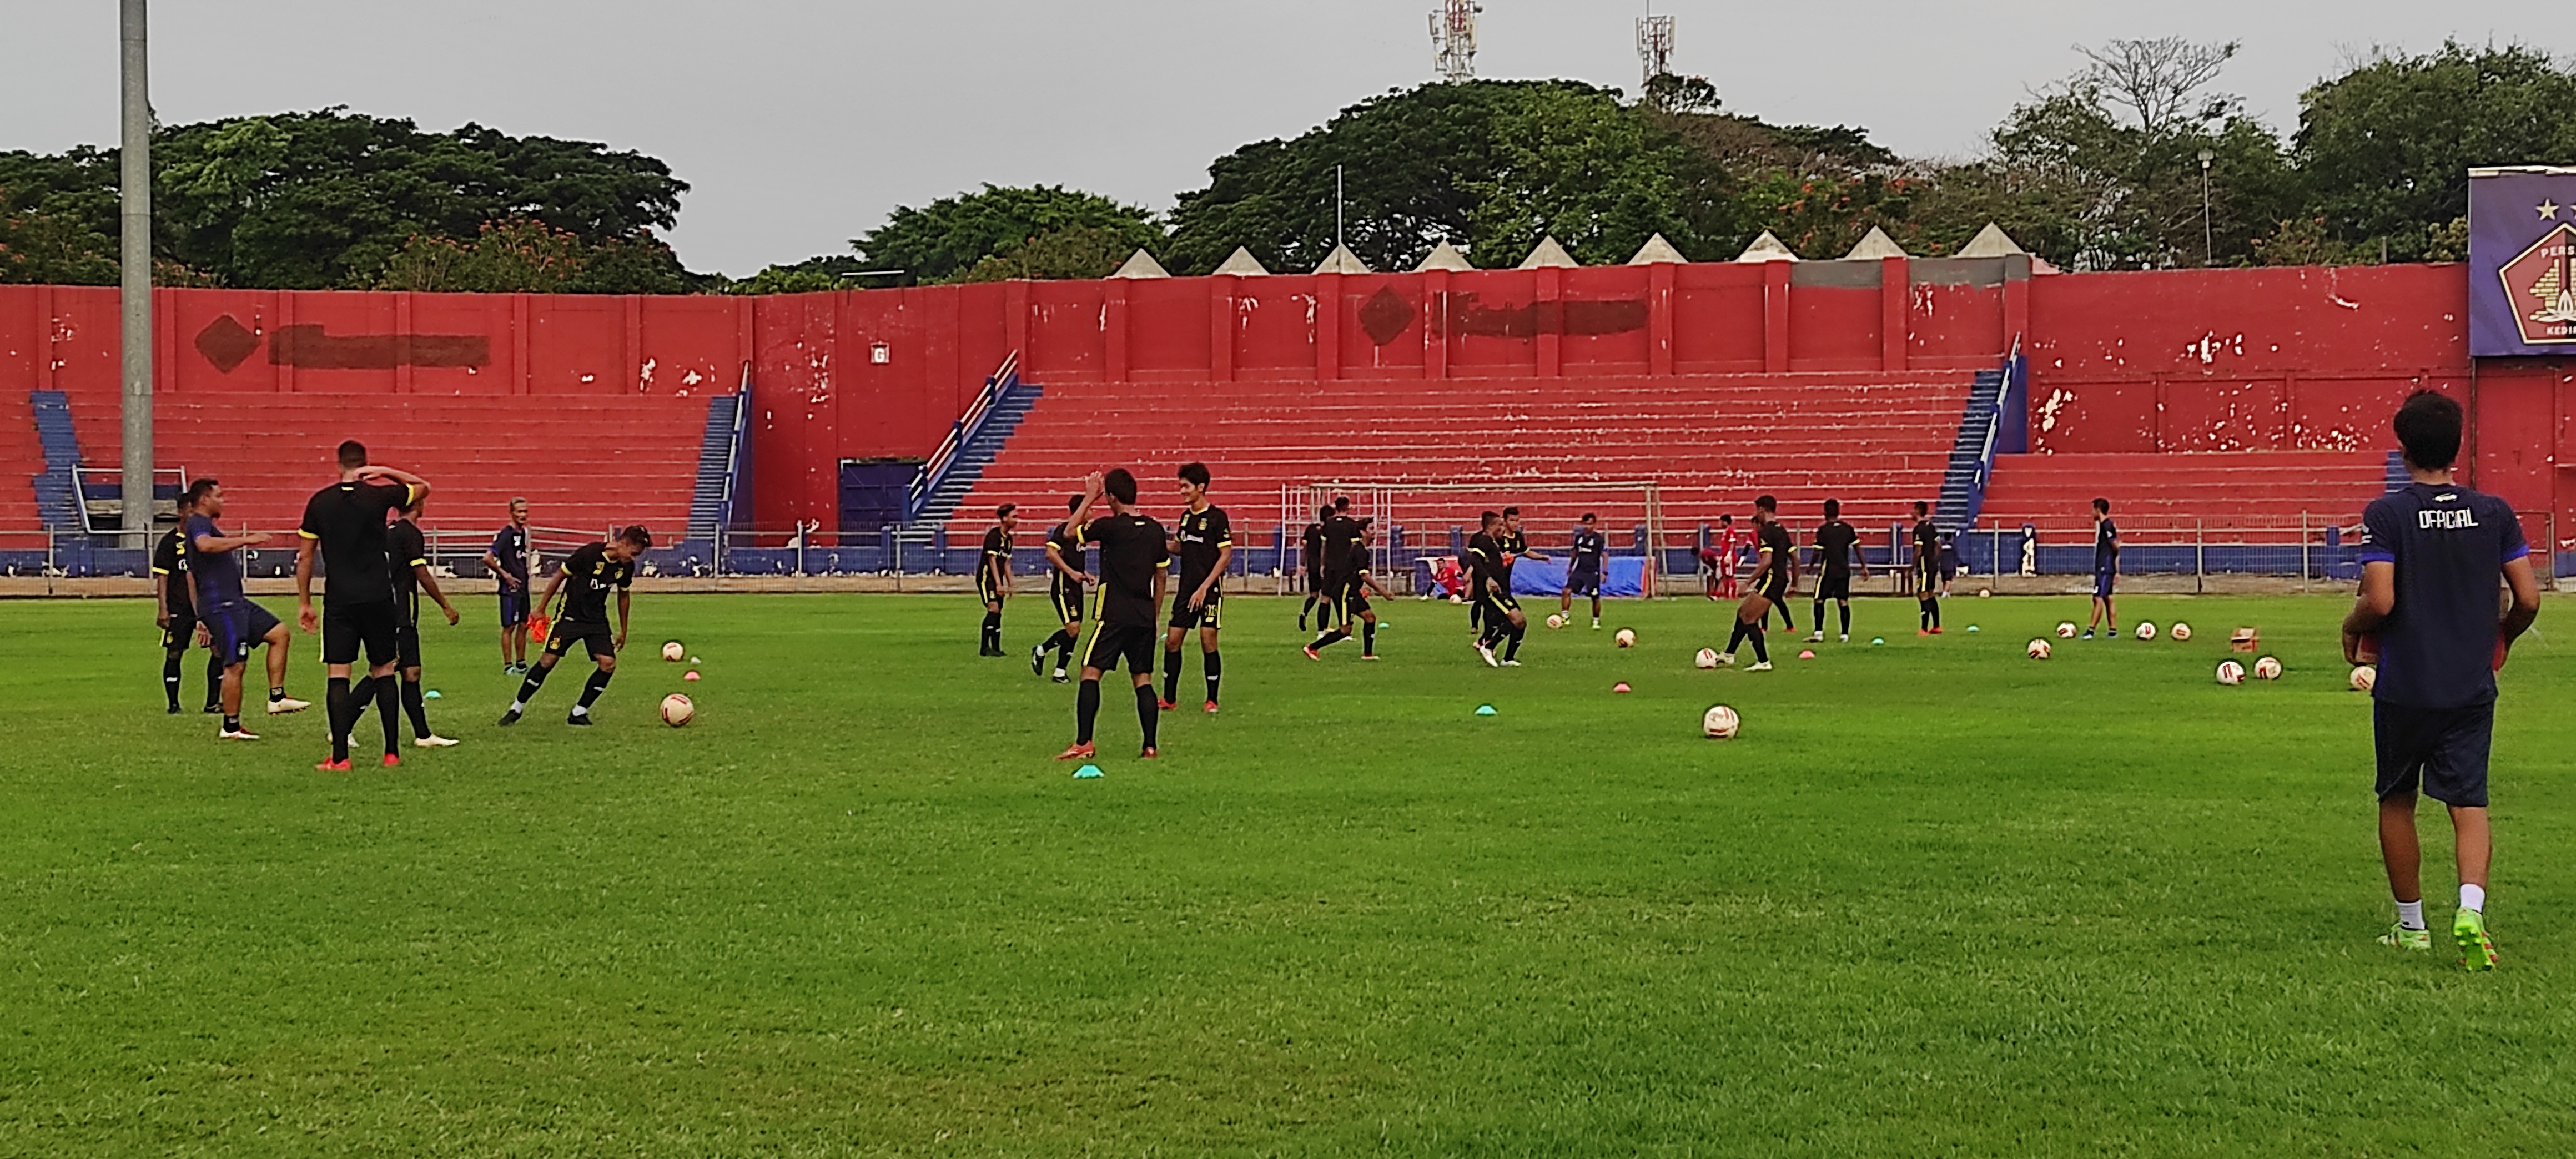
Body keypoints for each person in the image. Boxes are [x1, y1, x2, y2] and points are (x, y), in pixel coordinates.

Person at [2344, 390, 2541, 971]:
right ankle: (2470, 910)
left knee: (2396, 798)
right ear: (2458, 447)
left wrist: (2349, 627)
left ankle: (2411, 927)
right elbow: (2527, 597)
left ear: (2402, 449)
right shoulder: (2494, 512)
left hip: (2405, 683)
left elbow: (2379, 599)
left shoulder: (2387, 514)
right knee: (2468, 802)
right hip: (2468, 684)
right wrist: (2502, 633)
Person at [296, 441, 430, 772]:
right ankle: (391, 753)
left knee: (338, 674)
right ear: (365, 465)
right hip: (378, 595)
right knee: (384, 670)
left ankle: (340, 757)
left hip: (340, 599)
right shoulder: (379, 496)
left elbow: (306, 557)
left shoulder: (320, 502)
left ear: (337, 464)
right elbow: (423, 487)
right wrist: (385, 472)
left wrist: (304, 603)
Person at [182, 478, 309, 739]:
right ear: (205, 499)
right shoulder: (198, 523)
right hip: (222, 606)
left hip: (236, 603)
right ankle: (231, 727)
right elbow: (204, 545)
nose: (223, 500)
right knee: (235, 665)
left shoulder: (206, 525)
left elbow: (195, 571)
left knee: (279, 633)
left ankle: (277, 697)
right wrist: (246, 540)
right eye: (219, 495)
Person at [1056, 470, 1169, 761]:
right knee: (1142, 679)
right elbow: (1161, 575)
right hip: (1144, 616)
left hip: (1114, 614)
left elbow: (1069, 533)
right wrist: (1155, 617)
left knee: (1090, 672)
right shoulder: (1155, 529)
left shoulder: (1110, 527)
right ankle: (1150, 746)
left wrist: (1089, 496)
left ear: (1112, 498)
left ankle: (1084, 743)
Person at [500, 525, 651, 727]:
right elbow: (559, 577)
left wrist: (624, 629)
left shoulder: (625, 567)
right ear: (623, 543)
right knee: (547, 661)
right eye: (634, 553)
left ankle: (579, 711)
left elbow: (624, 596)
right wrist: (541, 608)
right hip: (569, 616)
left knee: (608, 664)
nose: (634, 559)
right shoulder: (589, 554)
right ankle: (517, 707)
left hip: (596, 620)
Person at [388, 494, 462, 748]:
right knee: (386, 669)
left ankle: (423, 735)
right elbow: (421, 573)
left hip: (401, 611)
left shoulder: (391, 531)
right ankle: (343, 727)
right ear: (418, 505)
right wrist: (446, 606)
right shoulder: (409, 533)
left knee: (411, 672)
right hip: (398, 611)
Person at [1161, 462, 1232, 714]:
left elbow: (1225, 555)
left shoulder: (1217, 517)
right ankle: (1169, 698)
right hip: (1186, 589)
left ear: (1200, 488)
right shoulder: (1186, 518)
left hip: (1209, 589)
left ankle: (1212, 699)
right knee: (1172, 642)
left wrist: (1204, 587)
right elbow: (1181, 547)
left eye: (1185, 486)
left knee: (1207, 640)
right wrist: (1158, 542)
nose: (1181, 491)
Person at [152, 487, 224, 715]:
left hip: (208, 605)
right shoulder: (170, 543)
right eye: (190, 512)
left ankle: (212, 702)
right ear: (181, 513)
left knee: (219, 651)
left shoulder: (210, 538)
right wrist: (163, 608)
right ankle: (174, 705)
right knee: (175, 652)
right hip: (179, 608)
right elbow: (163, 577)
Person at [1719, 495, 1790, 671]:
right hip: (1776, 578)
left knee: (1750, 618)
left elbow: (1766, 561)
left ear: (1761, 510)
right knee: (1743, 612)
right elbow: (1794, 557)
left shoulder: (1766, 531)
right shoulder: (1781, 529)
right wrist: (1794, 582)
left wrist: (1748, 582)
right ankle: (1729, 654)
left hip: (1772, 579)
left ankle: (1763, 661)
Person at [1030, 494, 1091, 683]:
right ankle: (1041, 650)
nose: (1091, 512)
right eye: (1088, 508)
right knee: (1073, 628)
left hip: (1076, 586)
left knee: (1076, 629)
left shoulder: (1081, 533)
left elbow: (1072, 557)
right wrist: (1071, 572)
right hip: (1063, 586)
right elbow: (1051, 553)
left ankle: (1060, 672)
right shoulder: (1064, 530)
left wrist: (1083, 573)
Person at [1310, 522, 1390, 659]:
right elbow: (1364, 576)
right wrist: (1384, 592)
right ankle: (1312, 648)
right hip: (1345, 592)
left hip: (1352, 591)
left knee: (1370, 618)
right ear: (1362, 532)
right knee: (1345, 630)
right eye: (1371, 529)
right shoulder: (1360, 551)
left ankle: (1368, 654)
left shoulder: (1359, 549)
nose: (1375, 532)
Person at [1305, 504, 1371, 659]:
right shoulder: (1353, 532)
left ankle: (1322, 631)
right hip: (1345, 577)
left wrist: (1323, 564)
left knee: (1325, 598)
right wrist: (1384, 592)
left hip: (1331, 568)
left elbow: (1323, 545)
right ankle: (1315, 646)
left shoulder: (1329, 524)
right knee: (1345, 624)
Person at [482, 497, 532, 673]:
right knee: (509, 626)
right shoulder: (507, 534)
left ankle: (521, 663)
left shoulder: (523, 533)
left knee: (524, 624)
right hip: (509, 589)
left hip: (523, 587)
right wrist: (506, 575)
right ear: (511, 513)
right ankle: (508, 665)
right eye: (519, 512)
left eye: (525, 511)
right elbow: (488, 557)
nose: (523, 515)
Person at [1807, 498, 1866, 644]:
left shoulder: (1823, 530)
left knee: (1819, 600)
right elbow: (1857, 548)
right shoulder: (1847, 528)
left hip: (1828, 570)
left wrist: (1810, 566)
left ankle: (1819, 632)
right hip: (1844, 570)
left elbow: (1817, 551)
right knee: (1843, 601)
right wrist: (1864, 566)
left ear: (1825, 513)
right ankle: (1844, 635)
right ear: (1838, 512)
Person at [977, 504, 1017, 657]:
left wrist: (1010, 583)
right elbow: (992, 560)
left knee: (998, 612)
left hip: (997, 579)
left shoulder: (1009, 539)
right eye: (1014, 516)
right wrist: (998, 584)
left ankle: (996, 648)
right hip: (987, 578)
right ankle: (984, 648)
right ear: (1005, 518)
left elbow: (1006, 562)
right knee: (993, 609)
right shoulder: (994, 536)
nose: (1016, 520)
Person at [1561, 512, 1607, 629]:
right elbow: (1575, 553)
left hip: (1592, 572)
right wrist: (1571, 567)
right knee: (1566, 591)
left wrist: (1604, 572)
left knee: (1595, 597)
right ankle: (1565, 617)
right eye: (1585, 524)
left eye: (1590, 524)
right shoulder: (1579, 538)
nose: (1587, 527)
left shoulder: (1598, 539)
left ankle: (1596, 621)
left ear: (1594, 525)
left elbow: (1605, 555)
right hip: (1579, 570)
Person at [2083, 498, 2118, 639]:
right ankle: (2113, 631)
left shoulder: (2107, 525)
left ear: (2098, 510)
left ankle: (2091, 631)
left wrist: (2111, 564)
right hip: (2105, 567)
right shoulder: (2105, 525)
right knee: (2108, 598)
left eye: (2093, 510)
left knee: (2097, 598)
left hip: (2105, 568)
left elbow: (2115, 545)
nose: (2092, 513)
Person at [1910, 501, 1943, 637]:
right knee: (1930, 593)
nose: (1911, 512)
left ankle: (1924, 629)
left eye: (1913, 509)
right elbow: (1938, 545)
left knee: (1922, 594)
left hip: (1923, 566)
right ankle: (1936, 626)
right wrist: (1934, 560)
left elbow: (1918, 550)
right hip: (1932, 566)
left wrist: (1913, 567)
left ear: (1918, 510)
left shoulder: (1919, 529)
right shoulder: (1931, 526)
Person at [1297, 507, 1332, 633]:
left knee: (1314, 595)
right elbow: (1326, 549)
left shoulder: (1311, 529)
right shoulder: (1328, 531)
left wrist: (1302, 564)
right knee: (1326, 597)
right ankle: (1324, 627)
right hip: (1323, 566)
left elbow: (1305, 548)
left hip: (1311, 565)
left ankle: (1304, 613)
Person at [1712, 513, 1745, 599]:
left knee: (1730, 576)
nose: (1720, 524)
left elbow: (1732, 543)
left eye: (1721, 522)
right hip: (1725, 557)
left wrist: (1729, 554)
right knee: (1726, 576)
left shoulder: (1731, 531)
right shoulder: (1726, 532)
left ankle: (1733, 595)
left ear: (1725, 522)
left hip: (1729, 557)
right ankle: (1727, 596)